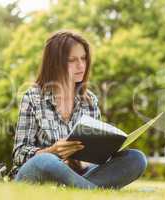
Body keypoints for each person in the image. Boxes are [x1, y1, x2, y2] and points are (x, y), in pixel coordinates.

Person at [8, 30, 147, 189]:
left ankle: (77, 189)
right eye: (72, 60)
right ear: (55, 63)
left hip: (79, 174)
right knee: (46, 160)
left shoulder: (90, 101)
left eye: (83, 58)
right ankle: (93, 190)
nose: (81, 65)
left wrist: (84, 160)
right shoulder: (33, 97)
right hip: (38, 175)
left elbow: (95, 158)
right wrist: (52, 151)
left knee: (136, 158)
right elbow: (19, 155)